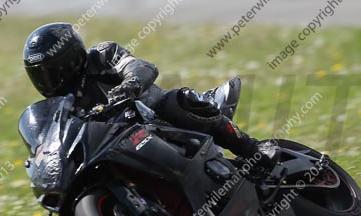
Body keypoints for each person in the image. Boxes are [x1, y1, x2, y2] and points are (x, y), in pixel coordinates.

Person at [22, 22, 279, 173]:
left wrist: (130, 85)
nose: (48, 80)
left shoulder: (101, 56)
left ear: (71, 57)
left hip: (153, 116)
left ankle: (252, 148)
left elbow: (141, 66)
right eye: (40, 75)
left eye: (53, 70)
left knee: (176, 102)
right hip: (116, 146)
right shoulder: (61, 106)